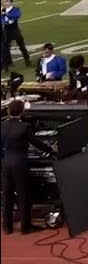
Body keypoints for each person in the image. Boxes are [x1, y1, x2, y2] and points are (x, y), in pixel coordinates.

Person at [2, 99, 55, 235]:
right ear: (22, 112)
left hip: (6, 163)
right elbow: (36, 143)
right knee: (23, 195)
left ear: (8, 111)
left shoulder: (2, 126)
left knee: (7, 196)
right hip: (20, 163)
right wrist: (50, 150)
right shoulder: (24, 127)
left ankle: (7, 227)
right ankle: (25, 227)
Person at [0, 0, 29, 73]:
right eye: (4, 1)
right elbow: (2, 20)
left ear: (11, 2)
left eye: (7, 1)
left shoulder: (16, 9)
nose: (5, 3)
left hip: (15, 30)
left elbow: (15, 17)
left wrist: (6, 14)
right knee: (5, 50)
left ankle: (27, 61)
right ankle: (5, 67)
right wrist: (3, 17)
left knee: (22, 46)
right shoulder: (3, 10)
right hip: (6, 31)